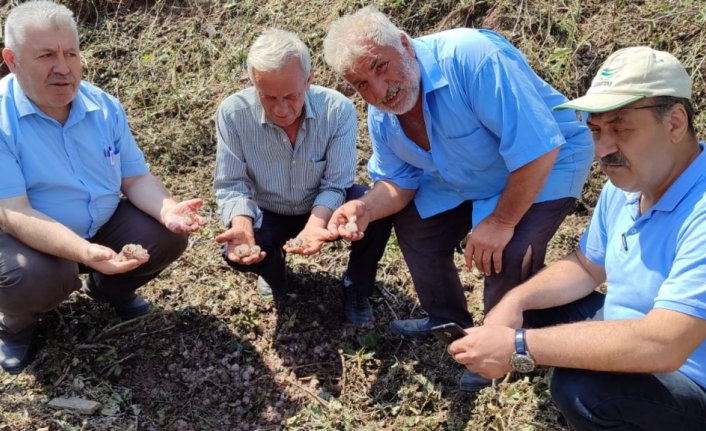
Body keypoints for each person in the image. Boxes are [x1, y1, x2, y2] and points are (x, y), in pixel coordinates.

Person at [322, 7, 593, 390]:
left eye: (381, 67)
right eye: (361, 83)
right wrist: (364, 206)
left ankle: (502, 348)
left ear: (404, 44)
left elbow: (537, 149)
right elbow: (399, 183)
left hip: (546, 158)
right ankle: (447, 322)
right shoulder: (381, 114)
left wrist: (499, 222)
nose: (379, 91)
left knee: (509, 251)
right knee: (415, 226)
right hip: (468, 172)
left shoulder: (473, 58)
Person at [447, 46, 706, 429]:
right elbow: (587, 265)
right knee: (529, 303)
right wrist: (515, 300)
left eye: (620, 129)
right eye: (596, 130)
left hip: (690, 374)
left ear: (674, 123)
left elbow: (664, 344)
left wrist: (519, 347)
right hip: (639, 327)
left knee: (584, 389)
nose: (602, 149)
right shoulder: (629, 185)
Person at [0, 1, 205, 375]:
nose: (63, 68)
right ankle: (16, 325)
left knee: (166, 235)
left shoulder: (103, 106)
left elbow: (136, 178)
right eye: (46, 55)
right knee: (31, 275)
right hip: (26, 236)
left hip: (101, 222)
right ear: (12, 60)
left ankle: (111, 290)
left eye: (71, 53)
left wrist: (167, 210)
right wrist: (83, 251)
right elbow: (14, 212)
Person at [213, 29, 391, 327]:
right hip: (268, 209)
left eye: (291, 96)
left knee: (375, 212)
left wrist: (315, 226)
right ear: (254, 84)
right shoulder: (233, 114)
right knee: (237, 250)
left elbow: (336, 183)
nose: (281, 109)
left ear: (308, 81)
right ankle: (274, 274)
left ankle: (356, 287)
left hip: (324, 207)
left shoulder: (338, 110)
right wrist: (241, 225)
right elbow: (231, 184)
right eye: (268, 97)